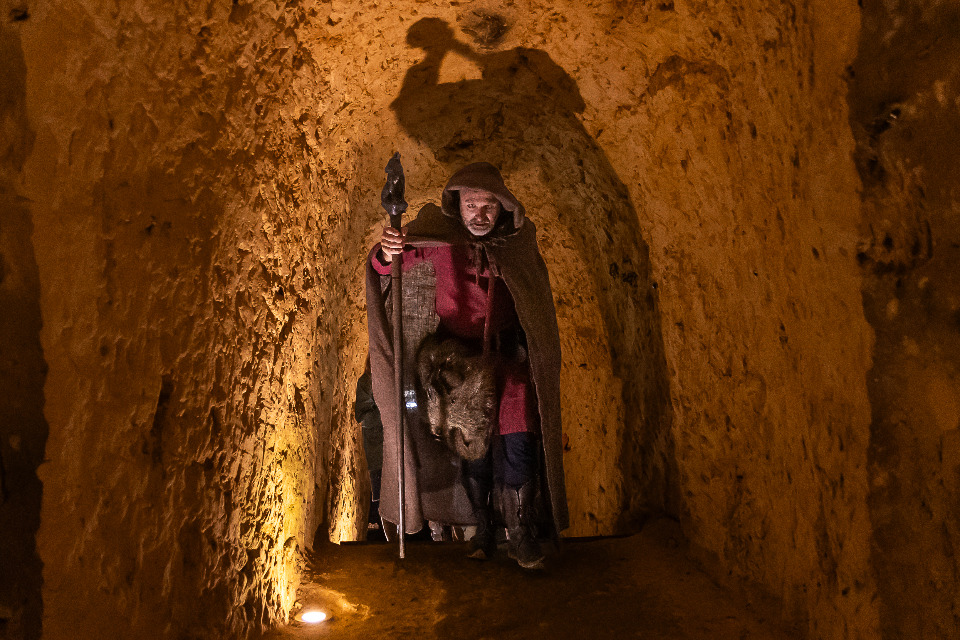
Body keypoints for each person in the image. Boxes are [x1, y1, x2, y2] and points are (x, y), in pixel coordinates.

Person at [365, 162, 567, 569]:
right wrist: (385, 251)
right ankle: (483, 527)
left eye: (488, 205)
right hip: (453, 360)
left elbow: (535, 302)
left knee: (518, 433)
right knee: (471, 444)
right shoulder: (436, 234)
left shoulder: (518, 242)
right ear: (457, 206)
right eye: (471, 204)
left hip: (505, 359)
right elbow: (388, 266)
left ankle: (522, 531)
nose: (480, 214)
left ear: (502, 207)